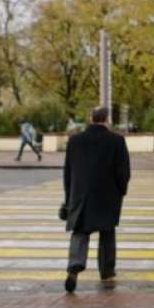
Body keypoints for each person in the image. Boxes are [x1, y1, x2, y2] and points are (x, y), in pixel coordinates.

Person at [60, 106, 131, 293]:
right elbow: (123, 171)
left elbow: (68, 172)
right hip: (107, 196)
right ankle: (107, 272)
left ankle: (74, 267)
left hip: (81, 195)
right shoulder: (116, 141)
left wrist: (69, 197)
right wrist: (121, 191)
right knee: (107, 234)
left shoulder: (75, 141)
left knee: (80, 232)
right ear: (106, 119)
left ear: (91, 118)